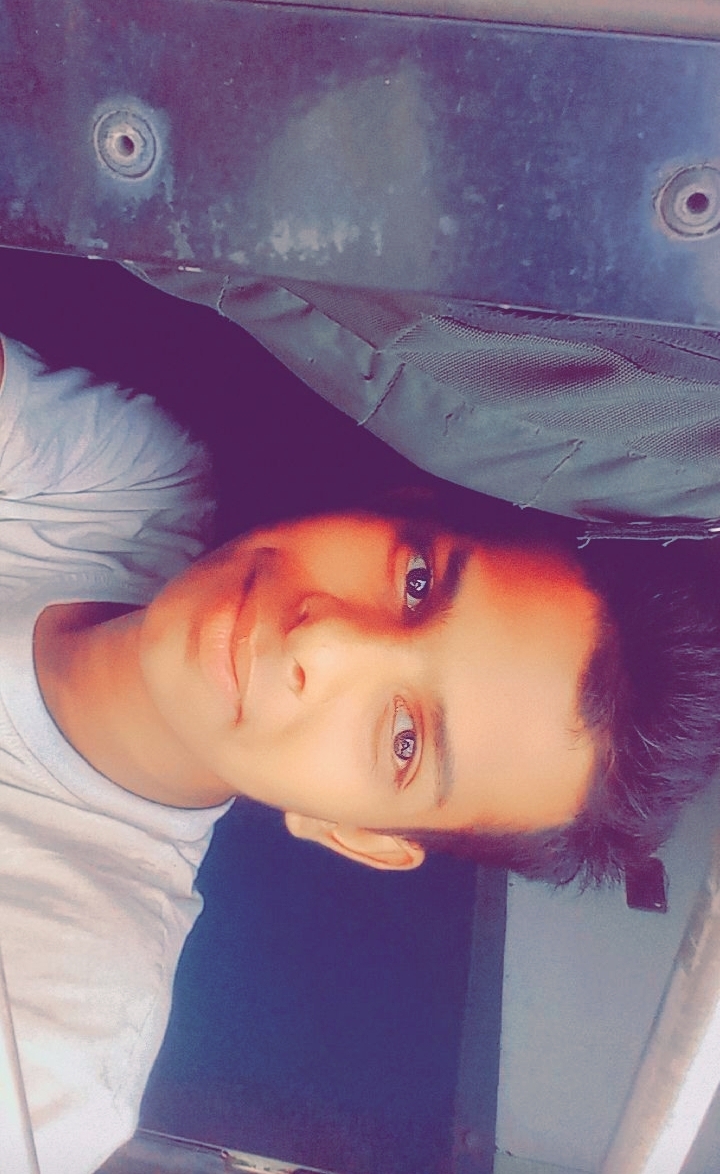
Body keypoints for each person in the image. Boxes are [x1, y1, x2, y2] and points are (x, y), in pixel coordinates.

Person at [1, 328, 720, 1174]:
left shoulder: (64, 1028)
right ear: (393, 502)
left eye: (405, 741)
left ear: (360, 835)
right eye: (417, 581)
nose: (326, 642)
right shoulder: (130, 484)